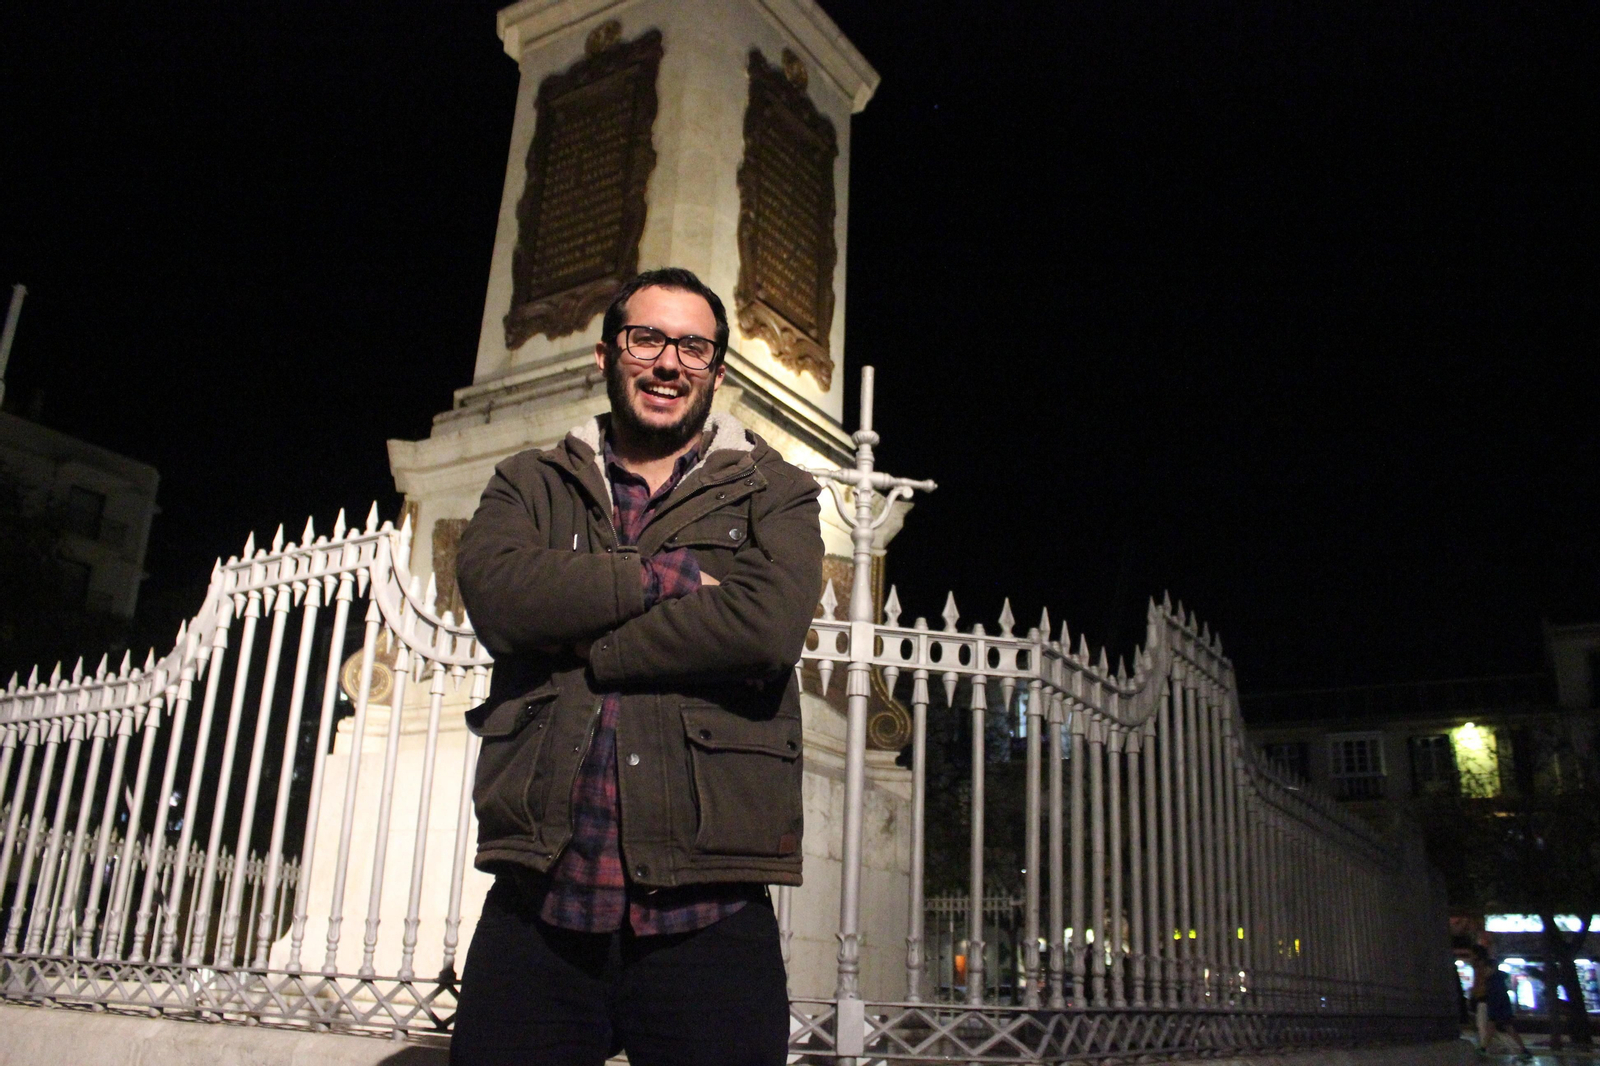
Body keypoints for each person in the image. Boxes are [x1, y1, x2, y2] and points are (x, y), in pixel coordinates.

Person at [450, 267, 824, 1066]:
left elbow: (766, 627)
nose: (668, 362)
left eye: (693, 346)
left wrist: (590, 645)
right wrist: (667, 580)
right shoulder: (531, 480)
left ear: (717, 370)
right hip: (538, 910)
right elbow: (500, 597)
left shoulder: (775, 490)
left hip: (708, 915)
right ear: (606, 354)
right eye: (647, 338)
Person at [1469, 944, 1533, 1061]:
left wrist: (1494, 1009)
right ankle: (1484, 1049)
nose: (1484, 972)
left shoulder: (1494, 981)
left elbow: (1497, 996)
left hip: (1498, 1008)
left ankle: (1522, 1050)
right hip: (1500, 1008)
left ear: (1491, 969)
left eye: (1486, 969)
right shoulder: (1496, 979)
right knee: (1496, 1028)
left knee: (1500, 1028)